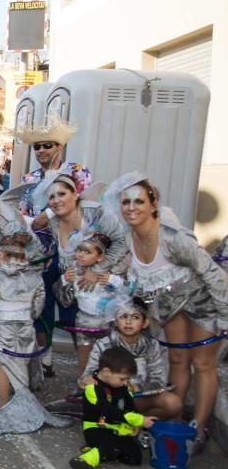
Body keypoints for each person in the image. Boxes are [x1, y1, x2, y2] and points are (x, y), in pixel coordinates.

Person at [105, 173, 228, 454]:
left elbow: (213, 275)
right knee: (177, 359)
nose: (132, 207)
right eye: (126, 202)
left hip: (202, 301)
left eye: (139, 201)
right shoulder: (129, 237)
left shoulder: (174, 238)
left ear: (153, 204)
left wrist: (224, 317)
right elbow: (120, 268)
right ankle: (173, 420)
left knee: (203, 364)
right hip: (171, 303)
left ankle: (197, 429)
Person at [0, 233, 71, 434]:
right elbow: (37, 309)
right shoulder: (35, 278)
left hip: (3, 328)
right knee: (21, 366)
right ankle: (20, 405)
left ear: (3, 255)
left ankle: (3, 408)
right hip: (25, 328)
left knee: (2, 367)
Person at [34, 170, 126, 377]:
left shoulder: (95, 213)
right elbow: (37, 228)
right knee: (80, 332)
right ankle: (86, 383)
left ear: (75, 194)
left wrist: (97, 270)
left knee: (102, 339)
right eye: (51, 197)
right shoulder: (54, 221)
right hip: (75, 286)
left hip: (101, 287)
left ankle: (107, 383)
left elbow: (121, 242)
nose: (57, 200)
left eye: (62, 194)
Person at [82, 296, 182, 420]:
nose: (128, 322)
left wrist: (139, 388)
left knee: (173, 403)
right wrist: (94, 380)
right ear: (115, 321)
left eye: (135, 317)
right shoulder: (104, 344)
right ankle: (122, 420)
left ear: (145, 323)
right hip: (110, 399)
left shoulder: (152, 345)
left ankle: (137, 420)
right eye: (123, 317)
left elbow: (158, 378)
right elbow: (89, 374)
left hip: (139, 397)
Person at [69, 347, 156, 469]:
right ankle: (84, 460)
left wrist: (138, 424)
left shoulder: (121, 386)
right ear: (106, 372)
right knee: (112, 447)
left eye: (127, 379)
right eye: (122, 379)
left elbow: (129, 407)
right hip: (97, 427)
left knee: (134, 457)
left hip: (116, 428)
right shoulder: (93, 389)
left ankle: (99, 449)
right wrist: (137, 420)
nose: (126, 382)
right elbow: (109, 412)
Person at [55, 232, 125, 377]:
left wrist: (113, 280)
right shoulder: (73, 272)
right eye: (79, 250)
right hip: (84, 322)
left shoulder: (110, 274)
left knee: (107, 362)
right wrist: (64, 280)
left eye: (87, 252)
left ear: (100, 257)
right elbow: (64, 300)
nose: (81, 254)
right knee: (84, 361)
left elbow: (127, 295)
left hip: (107, 324)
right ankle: (84, 390)